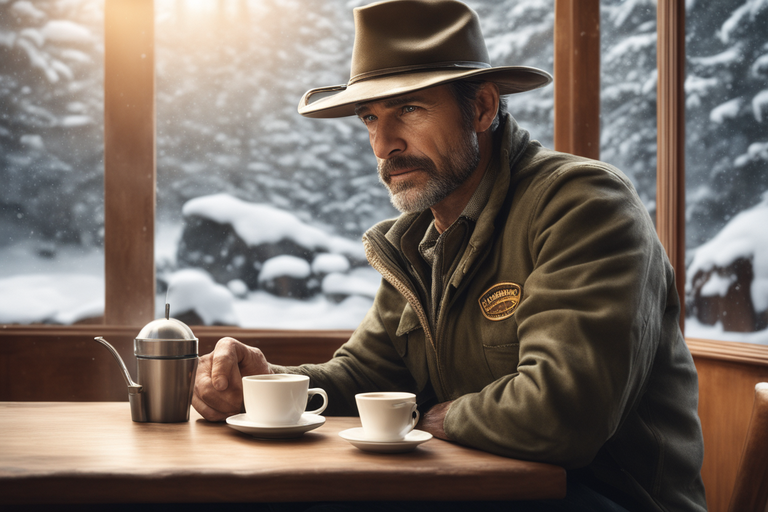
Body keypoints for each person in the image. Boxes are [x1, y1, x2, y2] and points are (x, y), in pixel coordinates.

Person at [193, 1, 707, 511]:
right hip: (472, 484)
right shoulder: (414, 244)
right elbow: (363, 380)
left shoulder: (582, 204)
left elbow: (565, 414)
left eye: (409, 109)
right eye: (370, 118)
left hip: (604, 497)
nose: (384, 145)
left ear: (482, 108)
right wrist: (261, 386)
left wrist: (444, 418)